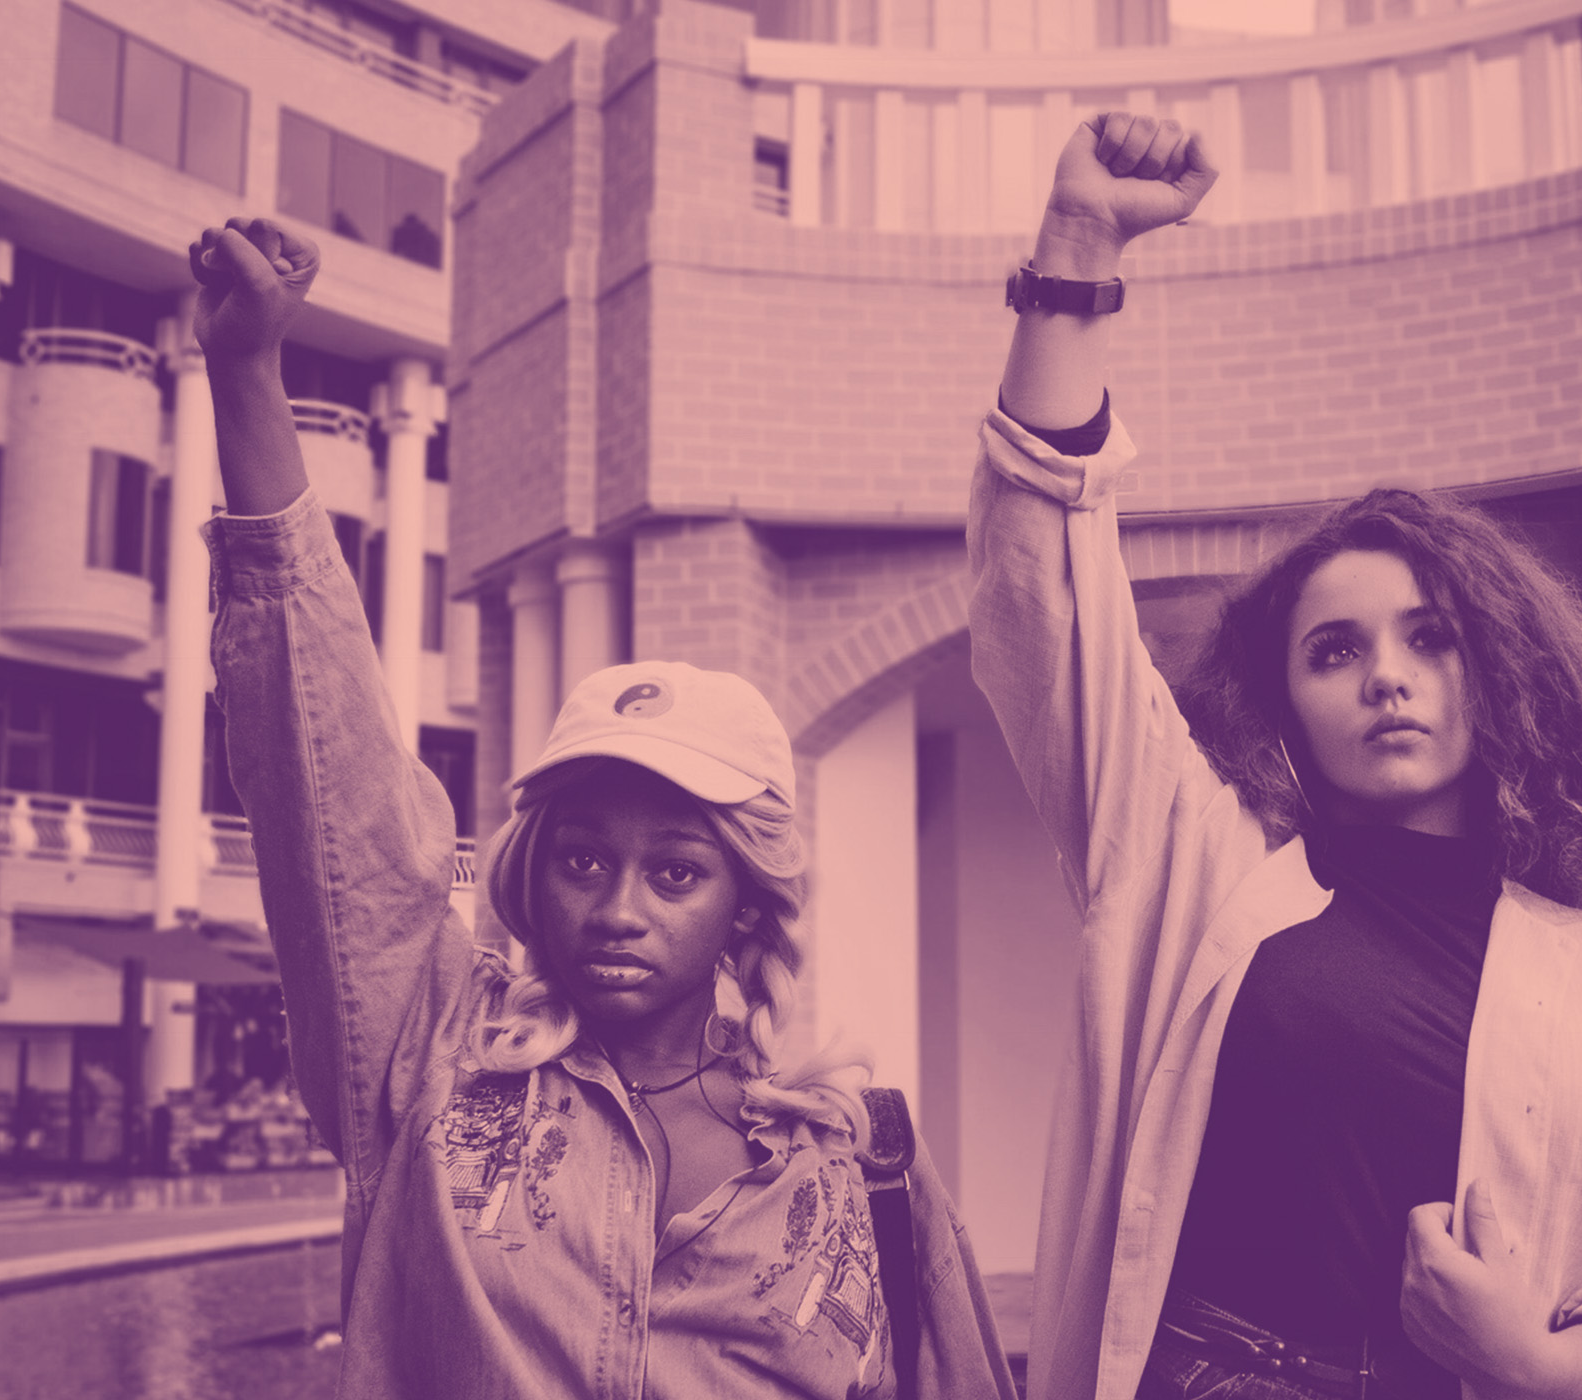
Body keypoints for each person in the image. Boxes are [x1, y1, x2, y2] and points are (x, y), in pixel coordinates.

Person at [968, 115, 1582, 1400]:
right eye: (1332, 650)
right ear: (1280, 697)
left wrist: (1551, 1361)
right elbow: (1044, 594)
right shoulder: (1205, 873)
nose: (1385, 673)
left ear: (1496, 674)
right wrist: (1076, 248)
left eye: (1429, 638)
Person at [189, 217, 1011, 1400]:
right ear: (535, 873)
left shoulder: (861, 1157)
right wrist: (248, 375)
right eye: (582, 860)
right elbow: (332, 786)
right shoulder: (434, 1069)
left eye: (675, 870)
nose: (617, 907)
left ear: (743, 900)